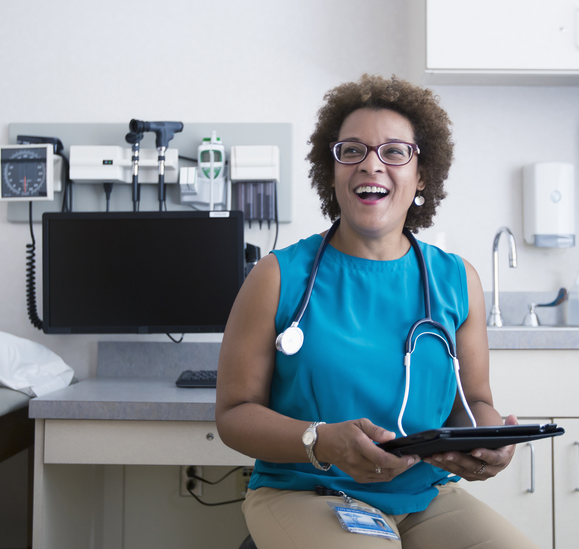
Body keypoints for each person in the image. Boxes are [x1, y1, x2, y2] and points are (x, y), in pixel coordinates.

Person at [215, 74, 537, 549]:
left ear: (421, 174)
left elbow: (472, 402)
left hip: (424, 496)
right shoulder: (277, 276)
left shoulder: (456, 280)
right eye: (352, 151)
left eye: (394, 151)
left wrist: (485, 442)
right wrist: (322, 441)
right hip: (307, 492)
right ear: (332, 170)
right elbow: (234, 414)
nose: (372, 165)